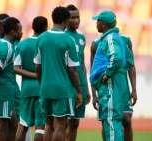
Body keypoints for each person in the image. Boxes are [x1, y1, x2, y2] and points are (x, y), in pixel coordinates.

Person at [33, 6, 83, 141]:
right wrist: (79, 91)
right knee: (60, 126)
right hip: (62, 89)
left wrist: (42, 82)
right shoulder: (68, 40)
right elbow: (72, 70)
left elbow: (37, 66)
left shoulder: (41, 38)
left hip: (45, 87)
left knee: (48, 126)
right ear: (66, 20)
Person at [90, 10, 134, 141]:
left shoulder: (109, 38)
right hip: (119, 84)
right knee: (113, 121)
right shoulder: (119, 38)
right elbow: (129, 61)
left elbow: (117, 58)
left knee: (111, 121)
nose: (96, 23)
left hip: (110, 87)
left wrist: (107, 74)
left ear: (103, 24)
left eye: (98, 21)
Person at [14, 16, 48, 141]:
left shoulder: (22, 45)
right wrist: (37, 76)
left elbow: (16, 68)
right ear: (46, 27)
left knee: (23, 125)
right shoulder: (45, 43)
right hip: (42, 88)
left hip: (27, 89)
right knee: (40, 126)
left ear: (32, 27)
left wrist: (32, 75)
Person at [65, 4, 91, 141]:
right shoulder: (62, 36)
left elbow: (82, 63)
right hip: (66, 84)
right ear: (65, 19)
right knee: (63, 123)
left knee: (75, 122)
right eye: (72, 17)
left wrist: (85, 87)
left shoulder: (81, 38)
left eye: (78, 17)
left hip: (80, 83)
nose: (76, 20)